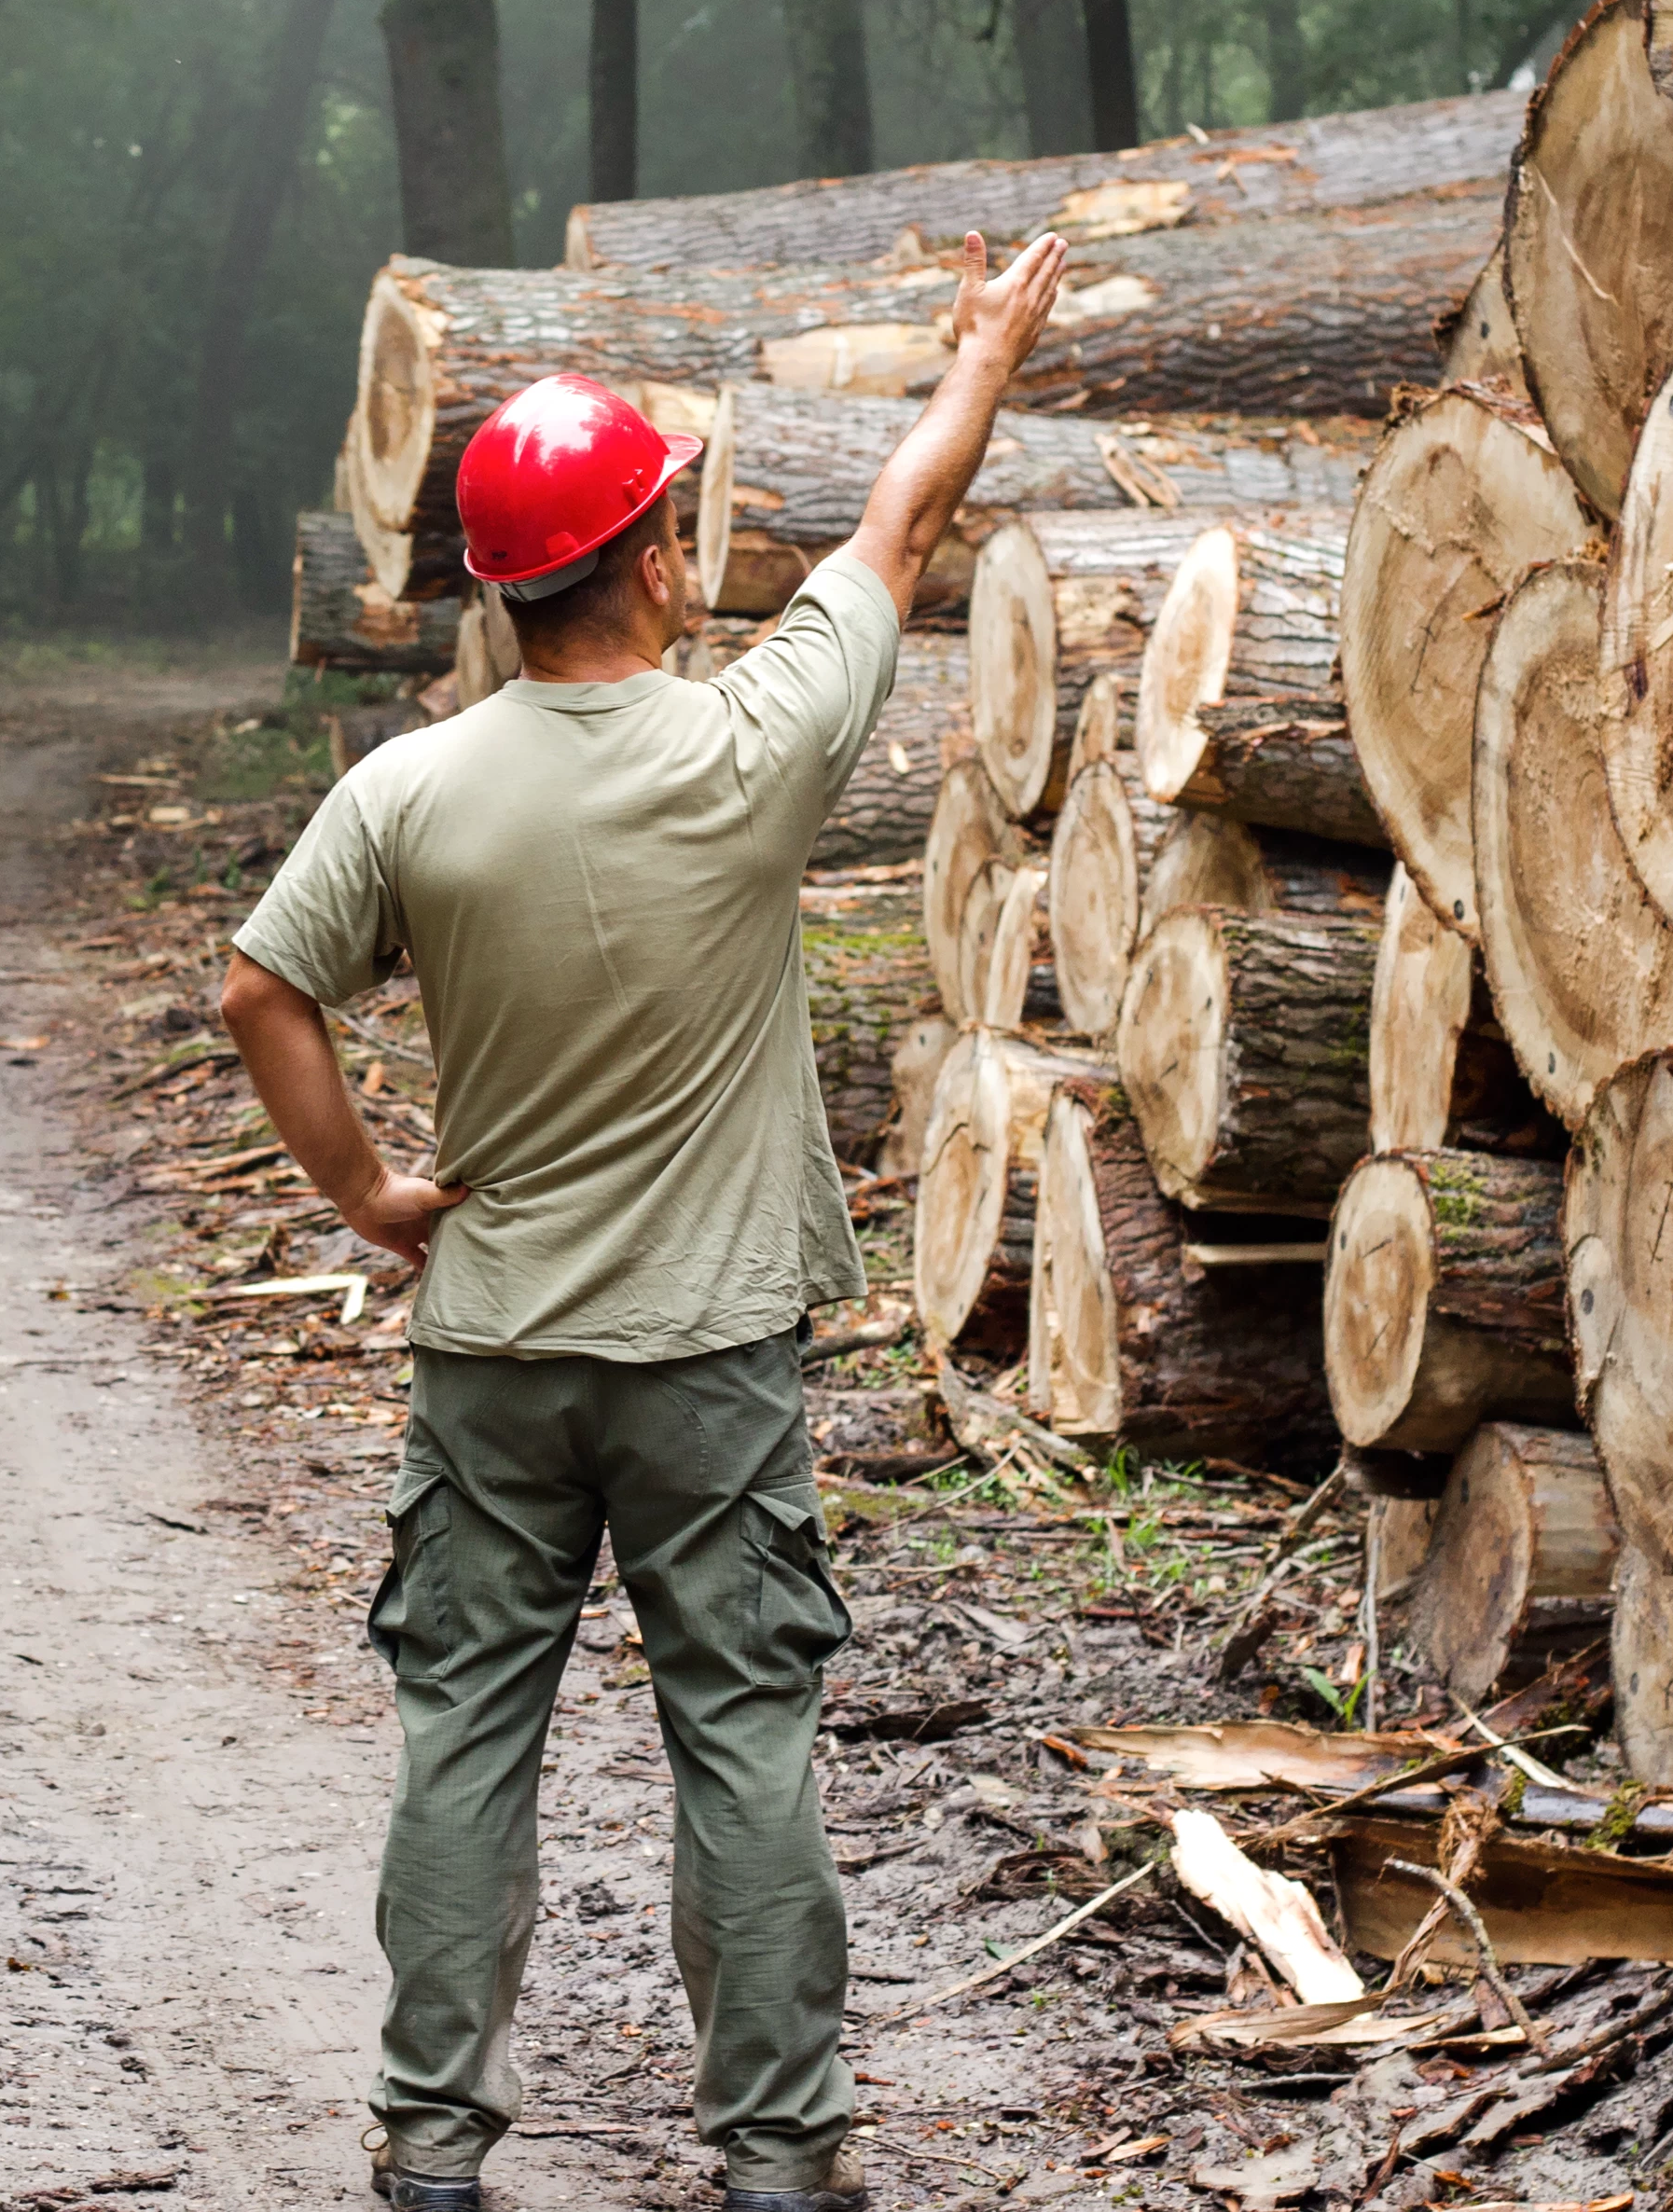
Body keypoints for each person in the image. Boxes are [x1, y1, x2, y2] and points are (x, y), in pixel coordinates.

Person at [222, 229, 1074, 2212]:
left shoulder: (411, 791)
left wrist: (365, 1194)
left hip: (493, 1349)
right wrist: (982, 349)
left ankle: (434, 2141)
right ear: (658, 565)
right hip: (707, 1354)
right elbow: (907, 505)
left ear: (500, 584)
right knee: (744, 1736)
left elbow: (260, 991)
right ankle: (776, 2154)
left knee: (463, 1735)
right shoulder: (752, 746)